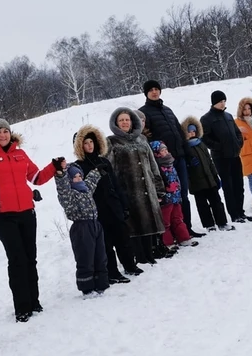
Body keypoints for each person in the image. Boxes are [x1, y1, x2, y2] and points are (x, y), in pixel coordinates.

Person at [0, 119, 57, 322]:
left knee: (30, 258)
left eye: (6, 131)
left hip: (27, 212)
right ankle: (22, 308)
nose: (3, 135)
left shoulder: (20, 154)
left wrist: (54, 166)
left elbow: (37, 178)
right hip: (3, 215)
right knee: (17, 260)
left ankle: (34, 301)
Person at [72, 125, 140, 282]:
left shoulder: (104, 161)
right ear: (79, 146)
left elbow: (115, 184)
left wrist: (124, 205)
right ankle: (112, 272)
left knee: (123, 238)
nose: (89, 146)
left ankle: (130, 265)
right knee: (106, 244)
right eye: (85, 143)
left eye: (91, 142)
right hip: (97, 210)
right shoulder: (78, 166)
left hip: (114, 206)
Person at [139, 80, 204, 237]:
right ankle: (170, 233)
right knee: (168, 199)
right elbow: (145, 138)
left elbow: (180, 133)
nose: (154, 92)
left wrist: (188, 154)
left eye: (157, 89)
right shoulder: (143, 113)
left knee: (182, 195)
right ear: (146, 93)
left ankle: (186, 228)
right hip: (162, 163)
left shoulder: (167, 110)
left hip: (179, 158)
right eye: (151, 90)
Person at [106, 107, 167, 263]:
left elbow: (153, 165)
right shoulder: (111, 141)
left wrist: (159, 188)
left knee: (148, 222)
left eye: (127, 119)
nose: (125, 122)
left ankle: (150, 254)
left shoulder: (142, 139)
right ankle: (139, 257)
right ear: (116, 123)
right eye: (121, 120)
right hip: (128, 190)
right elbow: (109, 168)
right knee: (134, 225)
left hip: (147, 187)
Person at [54, 162, 109, 298]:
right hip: (81, 228)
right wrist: (60, 175)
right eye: (74, 177)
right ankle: (87, 288)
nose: (78, 179)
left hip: (95, 225)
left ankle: (100, 284)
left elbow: (91, 180)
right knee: (85, 258)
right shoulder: (68, 194)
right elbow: (62, 188)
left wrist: (97, 171)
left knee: (100, 256)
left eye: (79, 176)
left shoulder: (86, 188)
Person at [201, 91, 252, 224]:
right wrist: (218, 146)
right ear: (214, 102)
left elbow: (237, 132)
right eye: (220, 101)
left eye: (224, 101)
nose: (222, 103)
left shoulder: (228, 116)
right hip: (221, 157)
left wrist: (238, 144)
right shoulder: (206, 118)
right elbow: (205, 138)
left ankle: (241, 212)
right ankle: (234, 214)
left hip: (235, 155)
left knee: (239, 185)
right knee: (228, 186)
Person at [180, 117, 233, 232]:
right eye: (189, 131)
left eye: (194, 131)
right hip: (196, 182)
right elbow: (183, 165)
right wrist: (189, 165)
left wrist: (215, 176)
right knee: (202, 205)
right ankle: (209, 225)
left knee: (217, 202)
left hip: (209, 179)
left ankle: (222, 222)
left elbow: (210, 161)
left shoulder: (201, 144)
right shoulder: (184, 148)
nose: (192, 133)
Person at [149, 141, 198, 251]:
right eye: (162, 150)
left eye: (166, 149)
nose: (165, 152)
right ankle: (168, 242)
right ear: (156, 153)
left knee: (178, 218)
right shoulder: (157, 166)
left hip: (175, 197)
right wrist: (161, 192)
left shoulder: (171, 163)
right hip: (165, 199)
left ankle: (184, 238)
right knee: (166, 222)